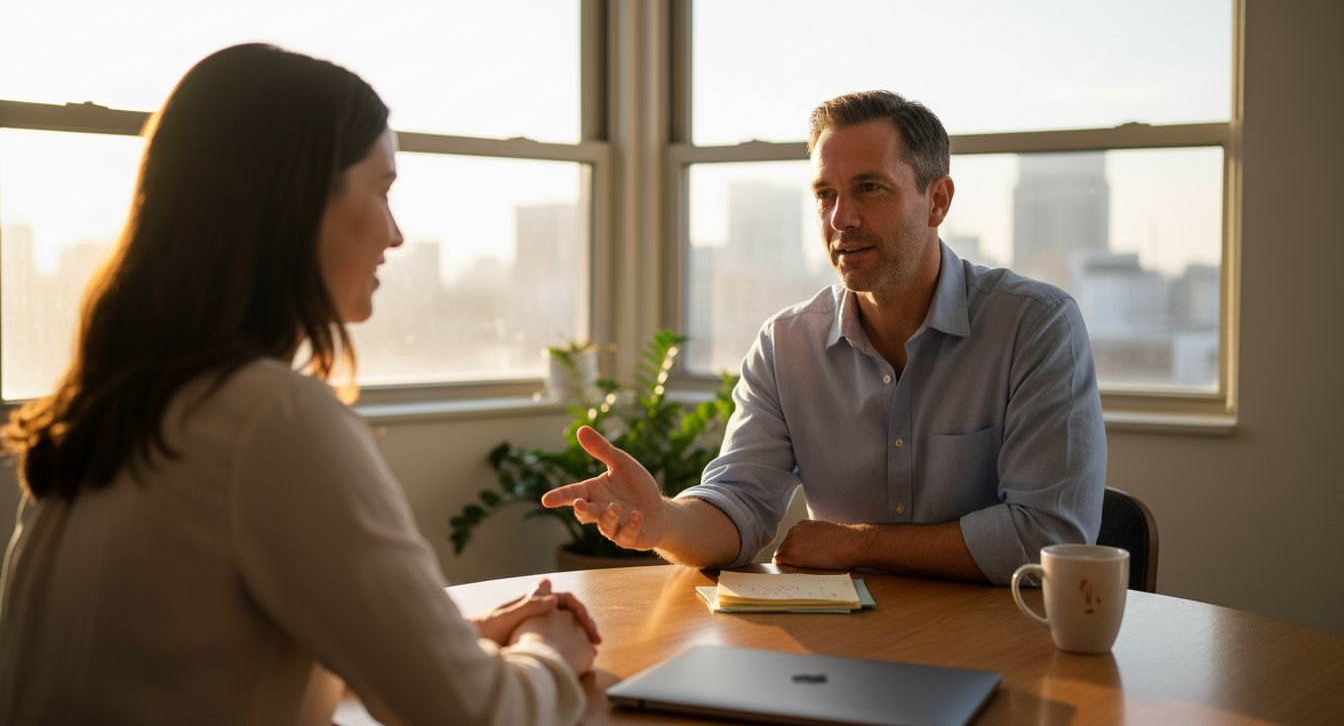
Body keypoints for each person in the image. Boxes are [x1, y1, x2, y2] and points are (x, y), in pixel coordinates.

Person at [0, 43, 598, 726]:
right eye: (381, 190)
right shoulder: (271, 420)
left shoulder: (107, 411)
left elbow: (216, 655)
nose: (395, 235)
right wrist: (546, 651)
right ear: (298, 198)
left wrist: (456, 640)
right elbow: (475, 716)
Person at [543, 90, 1105, 586]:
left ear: (937, 200)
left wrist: (858, 543)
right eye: (825, 194)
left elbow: (1048, 536)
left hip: (1003, 642)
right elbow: (739, 506)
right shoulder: (786, 343)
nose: (841, 219)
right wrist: (664, 522)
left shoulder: (1036, 325)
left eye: (869, 189)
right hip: (842, 645)